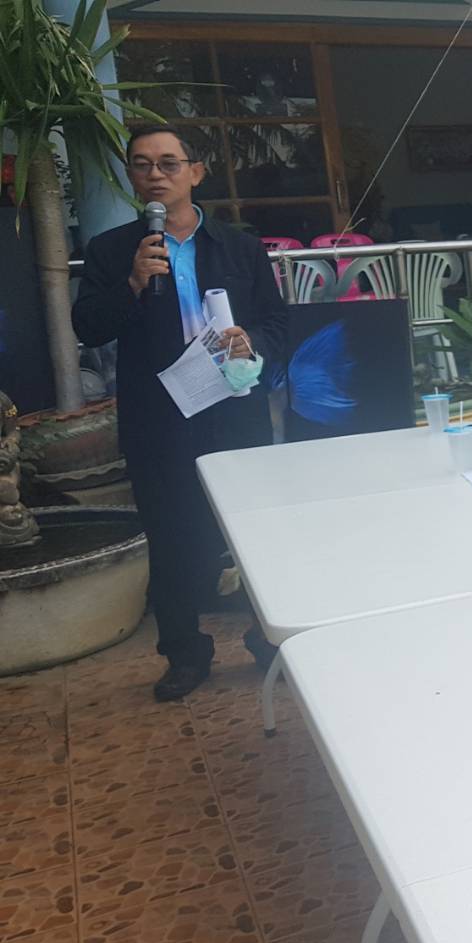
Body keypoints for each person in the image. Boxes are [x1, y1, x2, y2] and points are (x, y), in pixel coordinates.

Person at [72, 123, 287, 701]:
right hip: (160, 415)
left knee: (253, 532)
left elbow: (276, 321)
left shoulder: (240, 247)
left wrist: (253, 343)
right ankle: (185, 653)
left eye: (169, 163)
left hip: (233, 408)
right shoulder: (112, 250)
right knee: (170, 537)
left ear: (195, 172)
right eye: (142, 165)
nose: (156, 175)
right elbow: (88, 326)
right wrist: (133, 282)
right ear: (130, 176)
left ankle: (268, 638)